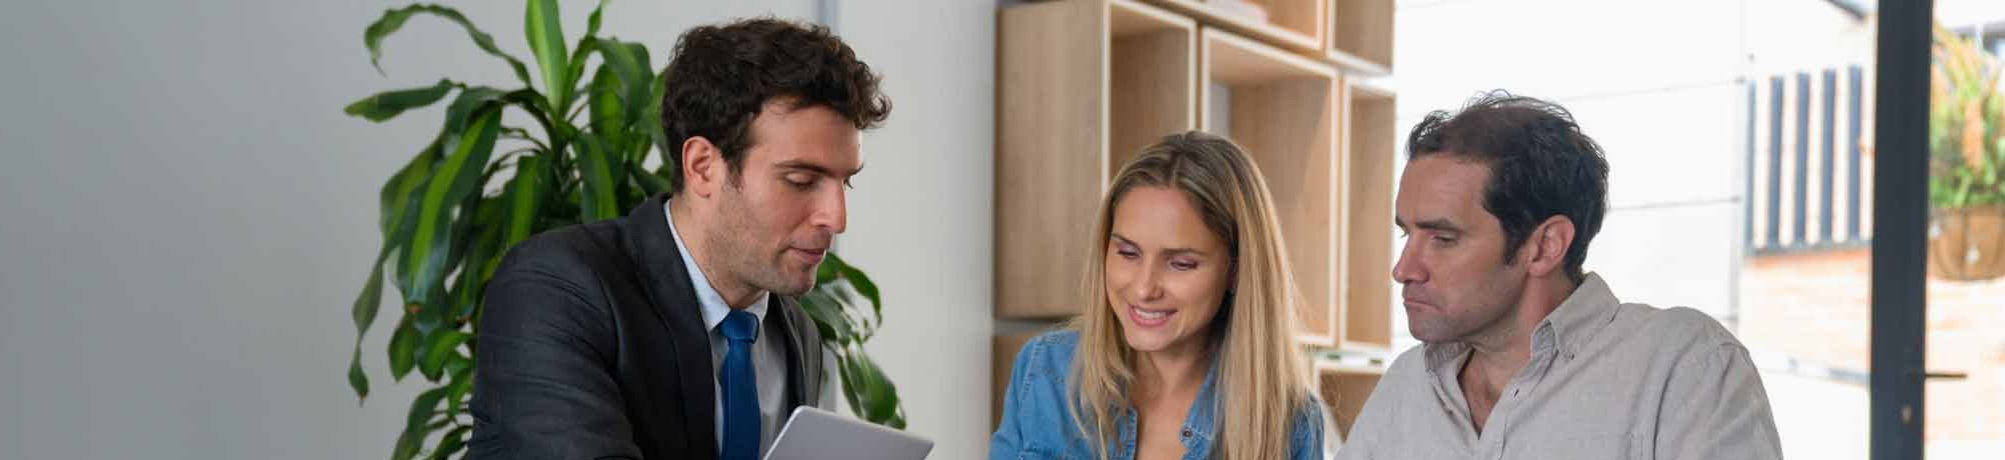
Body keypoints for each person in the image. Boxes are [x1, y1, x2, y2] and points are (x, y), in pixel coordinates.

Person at [469, 18, 890, 460]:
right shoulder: (555, 289)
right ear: (703, 167)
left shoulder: (796, 333)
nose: (836, 218)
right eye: (801, 181)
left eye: (846, 182)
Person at [1335, 92, 1781, 459]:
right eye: (1406, 234)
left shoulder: (1683, 365)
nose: (1404, 269)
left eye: (1443, 239)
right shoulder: (1407, 385)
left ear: (1546, 246)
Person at [991, 132, 1329, 460]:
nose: (1143, 288)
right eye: (1128, 253)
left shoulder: (1289, 424)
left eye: (1181, 263)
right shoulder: (1046, 371)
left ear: (1236, 270)